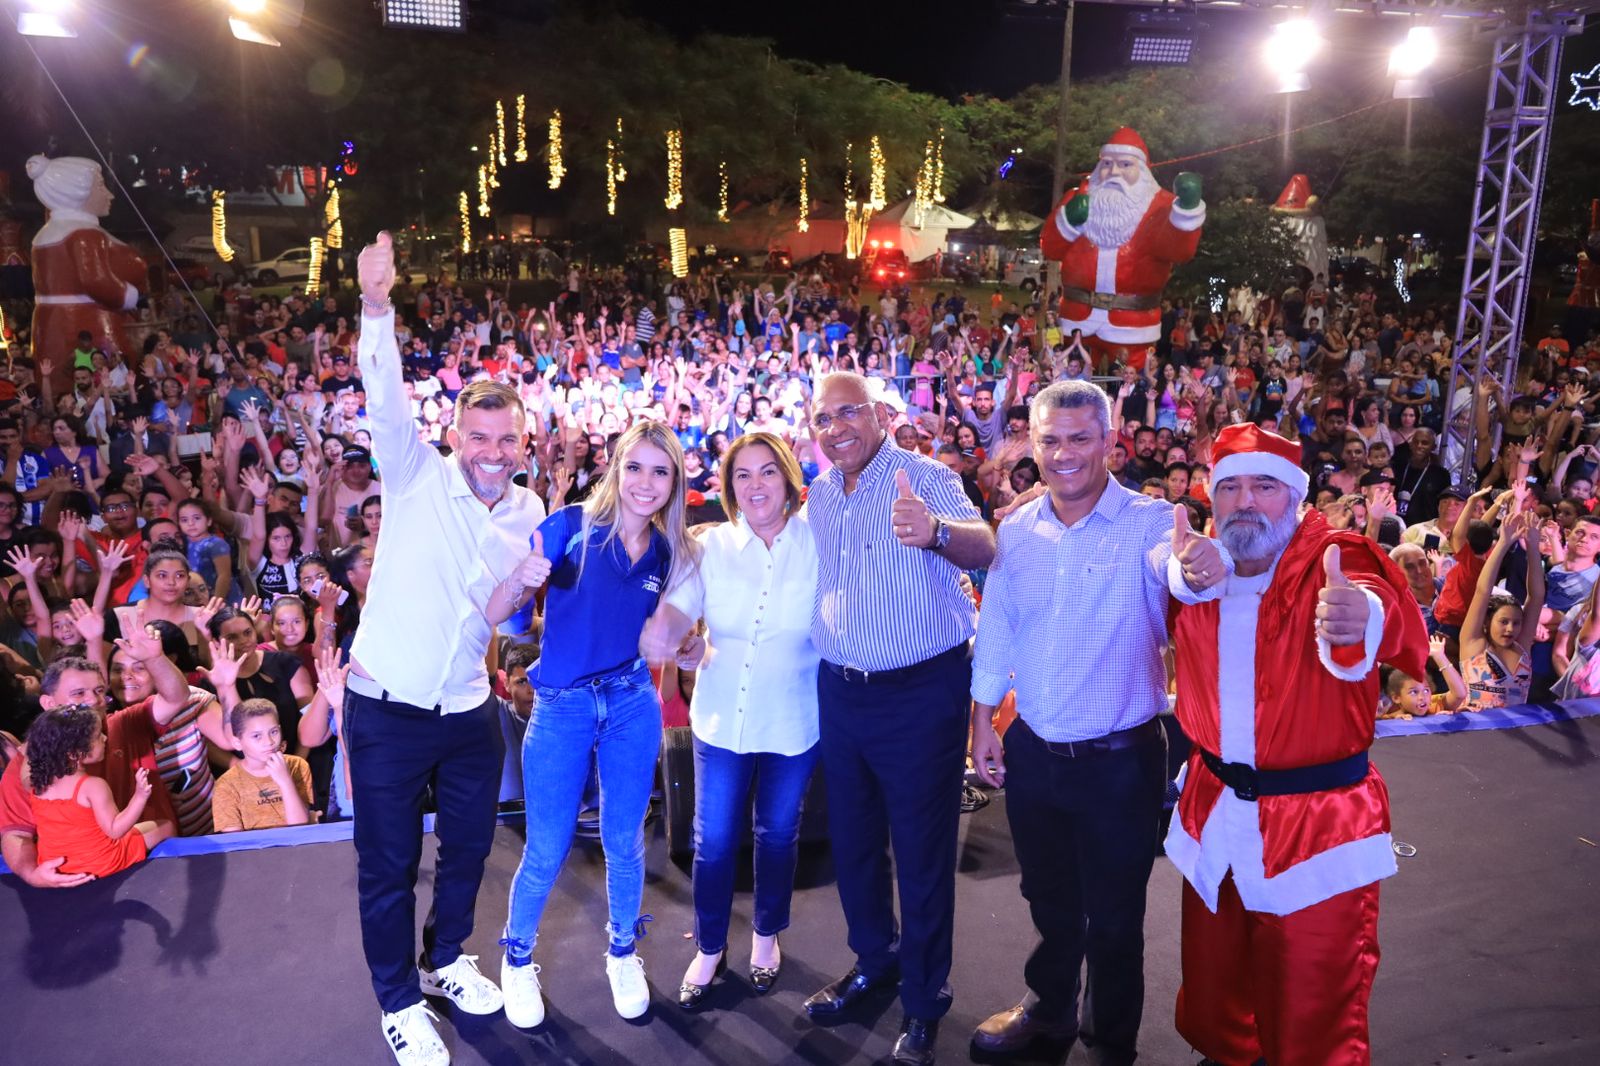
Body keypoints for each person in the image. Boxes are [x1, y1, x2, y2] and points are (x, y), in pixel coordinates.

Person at [1161, 422, 1429, 1065]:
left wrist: (1361, 617)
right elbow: (1168, 574)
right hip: (1217, 813)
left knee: (1314, 1006)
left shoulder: (1338, 555)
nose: (1246, 501)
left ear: (1298, 498)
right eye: (1230, 488)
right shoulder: (1201, 563)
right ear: (1210, 496)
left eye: (1265, 486)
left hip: (1316, 827)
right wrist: (1177, 569)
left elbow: (1387, 613)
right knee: (1217, 985)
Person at [344, 232, 546, 1066]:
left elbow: (496, 614)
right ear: (457, 434)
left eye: (507, 441)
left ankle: (446, 958)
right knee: (388, 864)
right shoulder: (413, 469)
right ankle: (398, 1003)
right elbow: (384, 392)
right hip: (386, 708)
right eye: (480, 436)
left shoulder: (529, 512)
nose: (493, 454)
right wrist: (378, 306)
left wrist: (524, 601)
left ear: (524, 445)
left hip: (468, 708)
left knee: (467, 848)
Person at [967, 381, 1174, 1063]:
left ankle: (1110, 1043)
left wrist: (1196, 567)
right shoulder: (1019, 530)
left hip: (1121, 760)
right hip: (1035, 751)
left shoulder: (1153, 523)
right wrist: (983, 720)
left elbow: (1184, 579)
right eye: (1050, 439)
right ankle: (1051, 1009)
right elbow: (996, 626)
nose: (1063, 454)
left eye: (1080, 438)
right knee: (1048, 898)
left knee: (1116, 919)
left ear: (1111, 443)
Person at [802, 371, 996, 1066]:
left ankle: (922, 1000)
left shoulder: (923, 474)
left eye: (849, 412)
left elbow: (987, 547)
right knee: (852, 844)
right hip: (843, 693)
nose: (837, 428)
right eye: (824, 418)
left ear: (880, 414)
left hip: (921, 694)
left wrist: (938, 532)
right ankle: (873, 963)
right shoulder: (820, 494)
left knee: (920, 854)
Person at [496, 420, 696, 1028]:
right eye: (634, 466)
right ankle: (516, 959)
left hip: (632, 701)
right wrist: (520, 584)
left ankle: (622, 952)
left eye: (660, 471)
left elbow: (666, 634)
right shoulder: (570, 527)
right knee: (548, 847)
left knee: (625, 841)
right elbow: (503, 619)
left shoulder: (668, 552)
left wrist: (685, 649)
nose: (645, 482)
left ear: (674, 482)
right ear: (615, 466)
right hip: (562, 705)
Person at [637, 431, 820, 1010]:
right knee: (712, 842)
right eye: (743, 475)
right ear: (729, 486)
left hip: (795, 718)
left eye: (768, 472)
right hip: (720, 719)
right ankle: (710, 946)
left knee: (777, 834)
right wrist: (670, 638)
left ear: (789, 480)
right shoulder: (708, 546)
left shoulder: (820, 541)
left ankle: (767, 936)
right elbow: (677, 614)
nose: (756, 484)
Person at [24, 704, 173, 877]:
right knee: (165, 826)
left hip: (56, 866)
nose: (104, 738)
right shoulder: (92, 786)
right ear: (74, 753)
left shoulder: (35, 782)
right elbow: (115, 830)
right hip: (101, 863)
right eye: (97, 736)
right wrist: (140, 796)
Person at [1459, 511, 1545, 710]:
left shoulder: (1521, 646)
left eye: (1516, 623)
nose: (1510, 629)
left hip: (1514, 734)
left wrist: (1533, 547)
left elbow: (1537, 596)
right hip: (1475, 733)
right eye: (1503, 621)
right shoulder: (1474, 644)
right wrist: (1503, 543)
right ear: (1488, 622)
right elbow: (1482, 590)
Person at [211, 698, 314, 832]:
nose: (269, 742)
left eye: (273, 732)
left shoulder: (297, 765)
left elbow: (301, 827)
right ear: (237, 743)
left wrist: (285, 781)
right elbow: (235, 844)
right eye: (256, 736)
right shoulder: (226, 785)